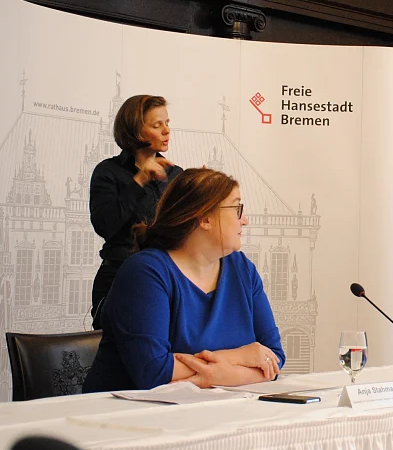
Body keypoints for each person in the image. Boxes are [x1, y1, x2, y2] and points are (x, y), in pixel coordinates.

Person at [83, 168, 285, 392]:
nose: (244, 220)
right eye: (237, 209)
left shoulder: (242, 269)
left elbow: (273, 358)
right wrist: (239, 358)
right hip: (124, 418)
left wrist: (223, 375)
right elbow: (154, 371)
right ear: (205, 218)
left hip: (210, 412)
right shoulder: (145, 272)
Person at [89, 95, 182, 329]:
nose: (166, 131)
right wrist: (140, 180)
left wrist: (202, 192)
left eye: (167, 123)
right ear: (135, 131)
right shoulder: (108, 172)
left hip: (165, 278)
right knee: (115, 356)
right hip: (119, 276)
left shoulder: (175, 175)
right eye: (156, 125)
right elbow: (105, 226)